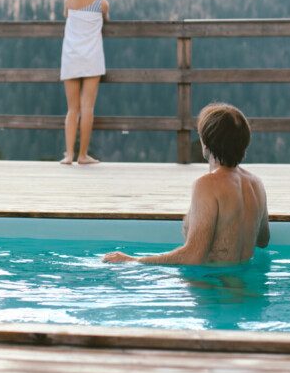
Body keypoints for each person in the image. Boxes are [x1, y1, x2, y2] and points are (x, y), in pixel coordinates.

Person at [103, 103, 269, 264]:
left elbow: (193, 256)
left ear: (206, 142)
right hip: (248, 288)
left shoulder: (207, 185)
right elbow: (263, 240)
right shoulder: (256, 184)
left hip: (214, 286)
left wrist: (134, 260)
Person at [60, 0, 109, 164]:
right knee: (87, 108)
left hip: (71, 57)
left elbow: (67, 16)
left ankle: (69, 154)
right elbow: (105, 21)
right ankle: (82, 155)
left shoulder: (69, 1)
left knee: (72, 109)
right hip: (92, 59)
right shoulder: (101, 5)